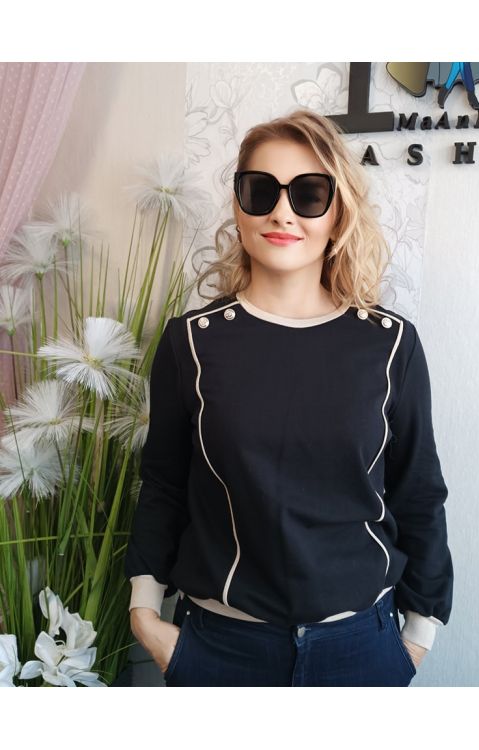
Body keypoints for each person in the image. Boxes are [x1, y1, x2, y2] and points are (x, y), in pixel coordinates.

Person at [124, 107, 453, 687]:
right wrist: (145, 613)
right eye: (261, 191)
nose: (281, 212)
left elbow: (418, 491)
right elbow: (164, 484)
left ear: (337, 211)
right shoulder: (190, 343)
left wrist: (418, 635)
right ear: (238, 206)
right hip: (218, 650)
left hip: (361, 650)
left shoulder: (390, 344)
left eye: (308, 194)